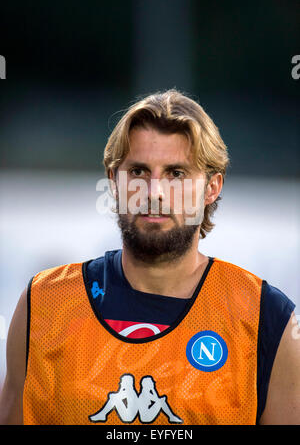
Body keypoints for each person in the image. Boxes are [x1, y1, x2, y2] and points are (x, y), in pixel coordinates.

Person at [0, 89, 299, 425]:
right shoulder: (43, 306)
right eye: (139, 171)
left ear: (212, 187)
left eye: (176, 174)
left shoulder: (267, 321)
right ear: (114, 181)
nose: (154, 192)